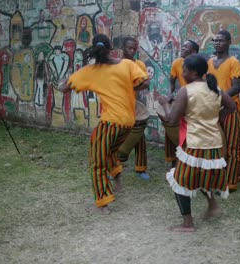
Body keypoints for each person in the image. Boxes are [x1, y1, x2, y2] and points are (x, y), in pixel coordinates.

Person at [58, 34, 149, 215]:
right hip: (128, 123)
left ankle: (103, 204)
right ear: (111, 49)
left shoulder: (91, 71)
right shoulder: (128, 64)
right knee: (108, 151)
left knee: (97, 161)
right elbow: (145, 82)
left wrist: (63, 81)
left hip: (110, 123)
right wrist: (128, 88)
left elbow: (64, 87)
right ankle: (117, 179)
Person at [158, 54, 236, 232]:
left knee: (179, 181)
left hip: (194, 144)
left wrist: (164, 103)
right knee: (203, 175)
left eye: (184, 70)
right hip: (214, 143)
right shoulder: (215, 88)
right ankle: (213, 206)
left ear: (193, 73)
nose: (182, 73)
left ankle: (187, 224)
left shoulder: (186, 91)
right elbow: (231, 106)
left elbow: (171, 119)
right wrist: (215, 119)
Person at [207, 30, 240, 192]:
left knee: (233, 146)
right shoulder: (209, 62)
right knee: (218, 145)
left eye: (221, 41)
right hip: (214, 110)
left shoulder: (233, 62)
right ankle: (220, 176)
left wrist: (220, 99)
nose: (217, 43)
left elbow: (236, 87)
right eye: (215, 40)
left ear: (229, 42)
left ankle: (232, 180)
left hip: (231, 110)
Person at [119, 36, 150, 180]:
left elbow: (146, 83)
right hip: (118, 105)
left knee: (139, 135)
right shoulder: (117, 64)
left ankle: (141, 168)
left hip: (134, 105)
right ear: (123, 48)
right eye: (129, 48)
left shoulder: (139, 64)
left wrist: (131, 87)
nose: (131, 51)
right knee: (117, 136)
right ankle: (115, 166)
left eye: (134, 48)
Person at [166, 40, 199, 168]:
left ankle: (191, 160)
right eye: (183, 45)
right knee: (172, 127)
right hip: (182, 99)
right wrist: (170, 94)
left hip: (195, 102)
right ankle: (174, 161)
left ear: (194, 51)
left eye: (186, 46)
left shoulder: (200, 64)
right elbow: (172, 82)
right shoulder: (177, 63)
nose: (182, 47)